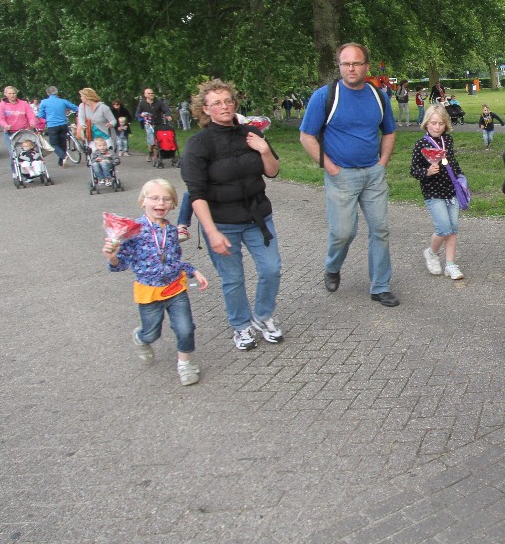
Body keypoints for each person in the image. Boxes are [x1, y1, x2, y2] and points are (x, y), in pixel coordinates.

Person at [182, 79, 284, 351]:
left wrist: (264, 149)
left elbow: (273, 171)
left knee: (271, 269)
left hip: (258, 217)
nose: (224, 106)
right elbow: (196, 194)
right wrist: (211, 232)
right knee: (233, 278)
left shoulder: (251, 133)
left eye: (228, 101)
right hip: (222, 223)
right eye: (217, 103)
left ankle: (262, 316)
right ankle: (240, 326)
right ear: (205, 109)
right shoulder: (198, 144)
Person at [299, 43, 399, 305]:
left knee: (380, 229)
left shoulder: (379, 96)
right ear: (339, 66)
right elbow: (307, 136)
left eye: (356, 63)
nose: (350, 68)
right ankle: (332, 267)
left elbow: (389, 132)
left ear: (367, 66)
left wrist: (382, 163)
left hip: (373, 174)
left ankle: (380, 286)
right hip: (341, 176)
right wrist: (331, 168)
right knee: (343, 232)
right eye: (345, 64)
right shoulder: (325, 96)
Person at [103, 178, 210, 386]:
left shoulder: (172, 231)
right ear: (142, 201)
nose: (160, 203)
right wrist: (112, 257)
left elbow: (175, 260)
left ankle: (184, 365)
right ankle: (141, 338)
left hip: (175, 289)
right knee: (152, 332)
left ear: (173, 204)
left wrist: (193, 271)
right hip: (149, 293)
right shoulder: (132, 231)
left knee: (186, 328)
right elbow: (120, 264)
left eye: (166, 199)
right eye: (154, 198)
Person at [410, 104, 466, 281]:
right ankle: (432, 253)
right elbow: (413, 170)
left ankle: (450, 265)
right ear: (426, 123)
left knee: (453, 228)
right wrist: (427, 172)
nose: (437, 127)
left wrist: (460, 177)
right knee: (444, 228)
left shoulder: (447, 140)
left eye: (441, 123)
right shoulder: (421, 144)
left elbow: (452, 161)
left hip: (451, 191)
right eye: (433, 123)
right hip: (433, 192)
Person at [0, 86, 39, 168]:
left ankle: (30, 169)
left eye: (14, 93)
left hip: (24, 132)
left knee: (28, 151)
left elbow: (31, 116)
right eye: (10, 93)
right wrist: (5, 125)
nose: (12, 95)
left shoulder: (24, 104)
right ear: (5, 94)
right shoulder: (1, 105)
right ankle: (15, 171)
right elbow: (1, 119)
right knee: (14, 154)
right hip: (10, 133)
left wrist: (32, 123)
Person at [37, 86, 79, 167]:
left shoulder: (44, 102)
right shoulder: (63, 101)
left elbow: (40, 115)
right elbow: (76, 108)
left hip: (52, 125)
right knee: (63, 143)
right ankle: (61, 162)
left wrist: (48, 117)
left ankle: (63, 156)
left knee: (53, 143)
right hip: (63, 124)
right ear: (57, 92)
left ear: (47, 93)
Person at [133, 88, 172, 162]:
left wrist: (168, 115)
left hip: (159, 123)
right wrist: (142, 115)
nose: (151, 94)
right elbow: (137, 114)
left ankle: (157, 156)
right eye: (149, 93)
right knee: (151, 141)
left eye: (152, 93)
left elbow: (166, 109)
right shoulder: (142, 103)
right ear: (145, 95)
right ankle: (150, 153)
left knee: (159, 140)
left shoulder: (159, 102)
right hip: (149, 124)